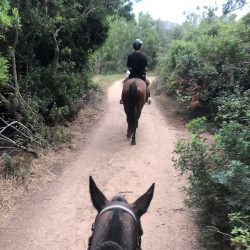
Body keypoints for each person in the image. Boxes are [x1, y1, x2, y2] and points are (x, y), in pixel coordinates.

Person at [120, 39, 151, 104]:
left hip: (132, 75)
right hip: (141, 76)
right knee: (148, 83)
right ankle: (147, 97)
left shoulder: (130, 56)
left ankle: (123, 98)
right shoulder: (144, 56)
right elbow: (145, 67)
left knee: (124, 82)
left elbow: (128, 67)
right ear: (140, 47)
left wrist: (131, 70)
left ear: (133, 47)